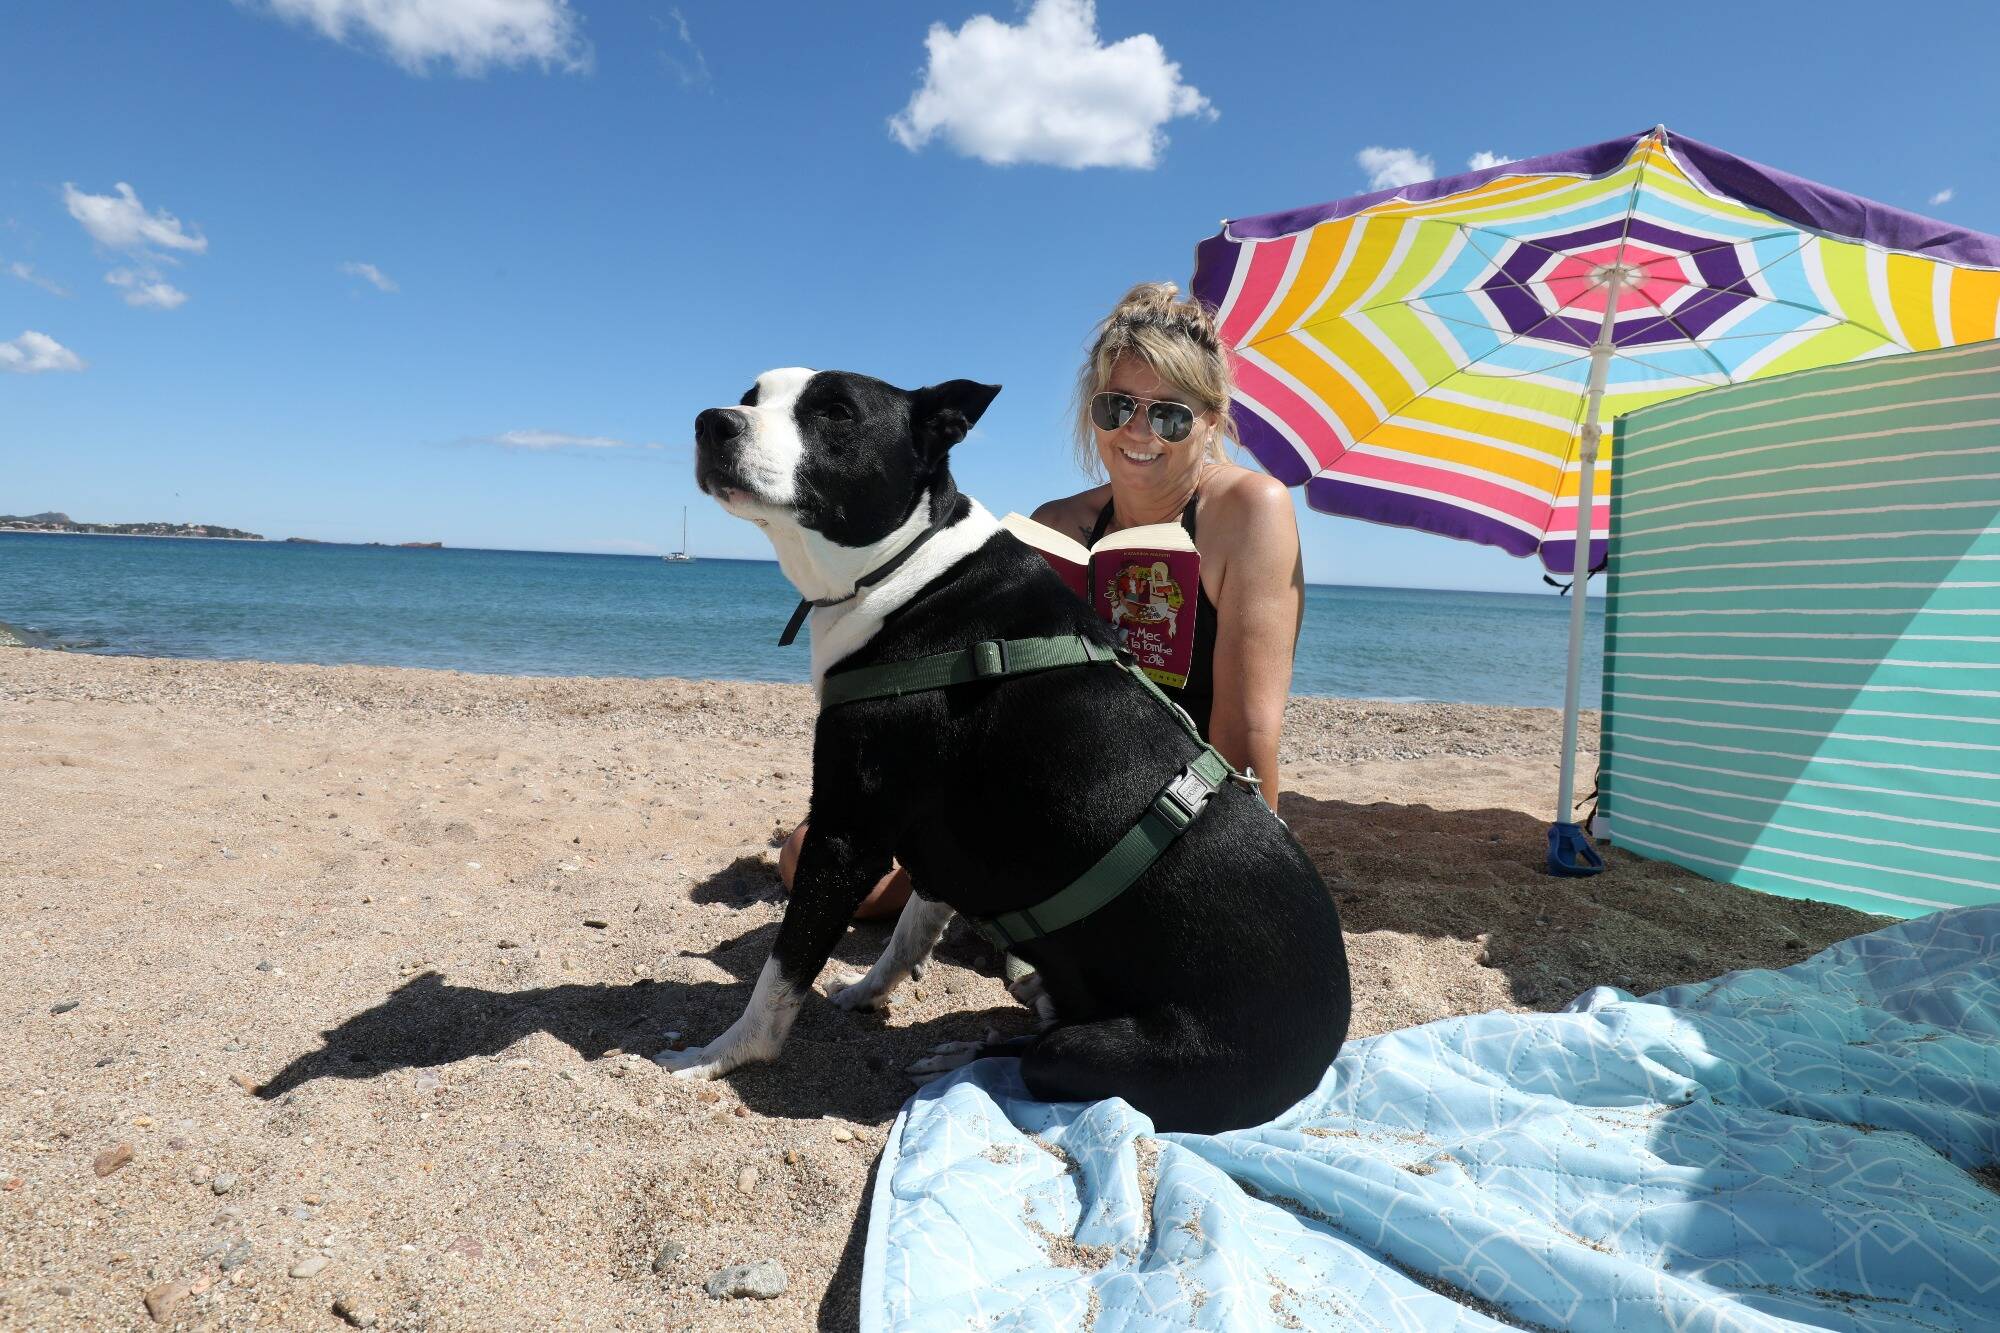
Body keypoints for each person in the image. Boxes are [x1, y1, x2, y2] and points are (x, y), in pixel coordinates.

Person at [779, 281, 1305, 919]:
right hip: (1060, 800)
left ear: (1212, 419)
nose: (1139, 432)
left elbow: (1247, 730)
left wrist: (1253, 879)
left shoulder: (1248, 511)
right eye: (1117, 408)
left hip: (1177, 805)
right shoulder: (1055, 525)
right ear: (1092, 411)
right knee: (806, 855)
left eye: (1169, 414)